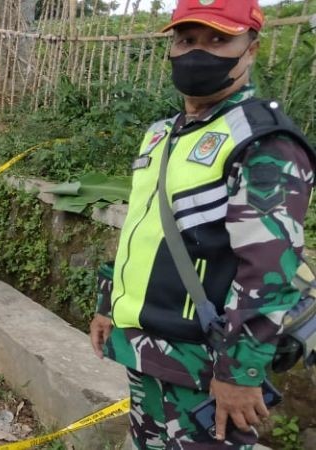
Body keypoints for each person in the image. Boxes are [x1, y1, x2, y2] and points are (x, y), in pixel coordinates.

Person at [87, 0, 315, 447]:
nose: (198, 52)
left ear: (250, 49)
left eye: (218, 39)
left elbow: (269, 270)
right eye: (186, 39)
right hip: (148, 351)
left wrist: (241, 372)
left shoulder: (263, 141)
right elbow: (143, 227)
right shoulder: (162, 134)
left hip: (206, 368)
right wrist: (107, 302)